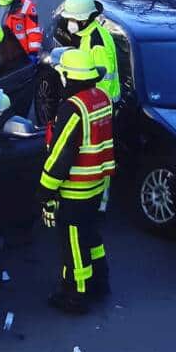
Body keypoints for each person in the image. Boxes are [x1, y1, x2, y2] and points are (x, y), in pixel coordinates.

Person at [39, 48, 116, 315]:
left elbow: (61, 153)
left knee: (72, 243)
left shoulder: (73, 107)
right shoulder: (101, 98)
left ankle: (75, 294)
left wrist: (45, 189)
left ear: (68, 78)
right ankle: (100, 281)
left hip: (75, 190)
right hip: (97, 185)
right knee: (91, 235)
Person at [55, 0, 120, 102]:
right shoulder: (85, 34)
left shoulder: (97, 44)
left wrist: (90, 103)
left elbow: (104, 80)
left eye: (74, 19)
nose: (70, 23)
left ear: (86, 19)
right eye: (69, 19)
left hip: (101, 103)